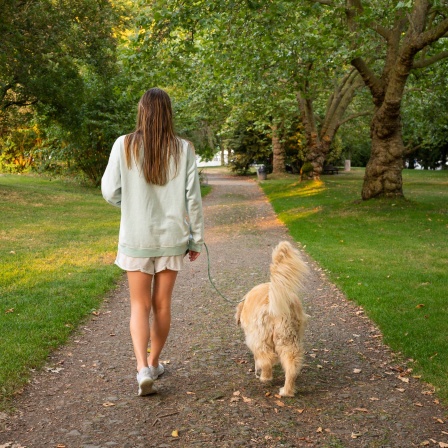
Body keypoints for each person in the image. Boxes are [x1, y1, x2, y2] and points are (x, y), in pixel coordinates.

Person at [101, 88, 204, 396]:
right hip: (172, 238)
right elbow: (193, 200)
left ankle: (141, 368)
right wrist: (196, 239)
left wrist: (129, 205)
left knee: (139, 304)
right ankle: (155, 362)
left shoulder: (124, 144)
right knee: (162, 305)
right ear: (168, 113)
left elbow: (109, 191)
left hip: (136, 237)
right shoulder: (183, 148)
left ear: (142, 111)